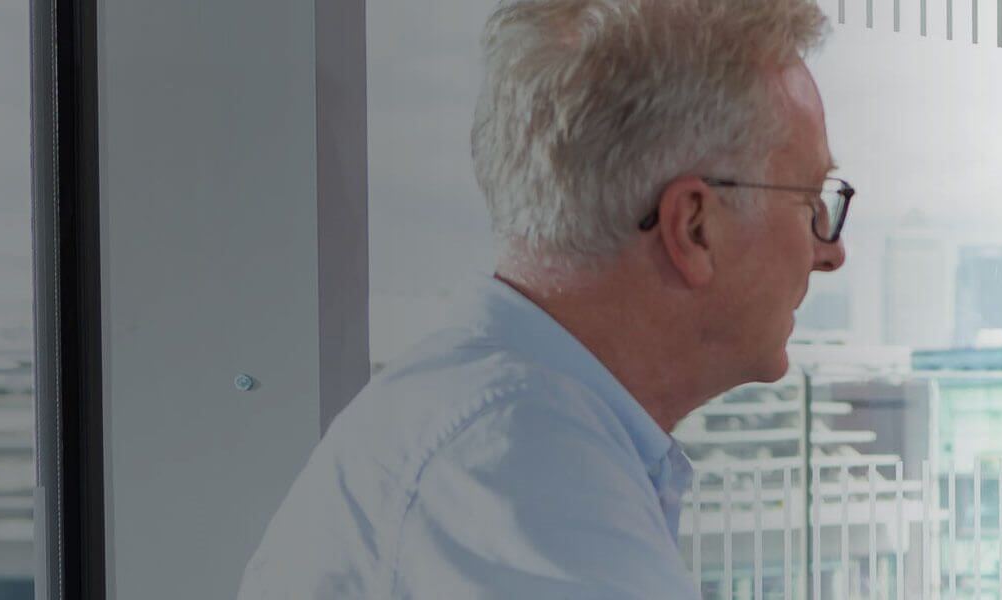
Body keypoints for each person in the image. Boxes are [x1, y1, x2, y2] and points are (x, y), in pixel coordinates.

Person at [240, 0, 848, 596]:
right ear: (694, 228)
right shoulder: (517, 470)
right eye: (809, 204)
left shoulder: (503, 423)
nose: (830, 252)